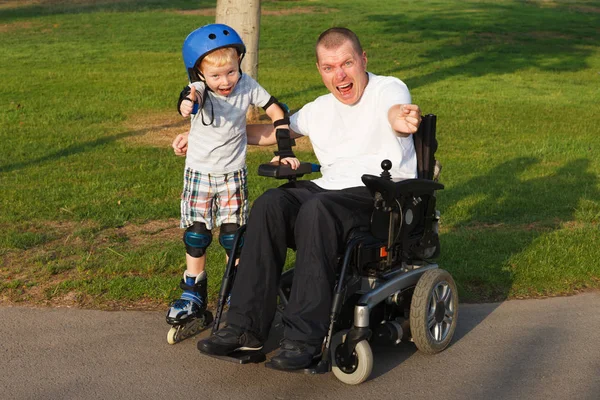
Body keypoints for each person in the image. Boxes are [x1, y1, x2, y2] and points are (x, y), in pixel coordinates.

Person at [197, 27, 422, 371]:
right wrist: (206, 131)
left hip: (380, 196)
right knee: (271, 204)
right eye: (330, 67)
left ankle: (304, 339)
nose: (340, 75)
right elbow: (273, 132)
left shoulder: (387, 88)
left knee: (317, 210)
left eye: (347, 63)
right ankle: (244, 327)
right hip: (329, 190)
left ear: (363, 60)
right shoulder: (319, 109)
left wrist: (401, 119)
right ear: (320, 70)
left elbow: (396, 111)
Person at [166, 23, 298, 331]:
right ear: (199, 73)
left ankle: (236, 292)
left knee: (233, 237)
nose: (225, 81)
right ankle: (193, 294)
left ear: (239, 64)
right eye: (215, 75)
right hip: (199, 173)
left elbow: (276, 109)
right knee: (197, 234)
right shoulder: (199, 89)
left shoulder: (248, 85)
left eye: (231, 72)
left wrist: (284, 146)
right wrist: (187, 104)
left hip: (232, 175)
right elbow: (190, 97)